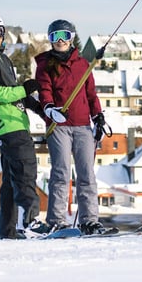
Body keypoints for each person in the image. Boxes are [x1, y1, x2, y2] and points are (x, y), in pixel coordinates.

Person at [0, 13, 49, 239]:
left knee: (11, 180)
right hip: (6, 124)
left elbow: (13, 91)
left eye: (1, 32)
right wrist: (24, 90)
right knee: (25, 171)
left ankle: (6, 228)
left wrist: (38, 108)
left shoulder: (2, 59)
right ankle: (30, 222)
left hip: (15, 122)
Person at [34, 18, 114, 235]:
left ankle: (89, 220)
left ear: (72, 39)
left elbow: (90, 94)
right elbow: (44, 90)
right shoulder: (44, 65)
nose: (60, 41)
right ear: (50, 40)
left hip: (82, 126)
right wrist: (49, 109)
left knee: (86, 174)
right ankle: (57, 221)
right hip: (58, 126)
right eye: (55, 37)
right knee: (60, 173)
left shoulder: (83, 65)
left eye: (64, 36)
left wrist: (97, 116)